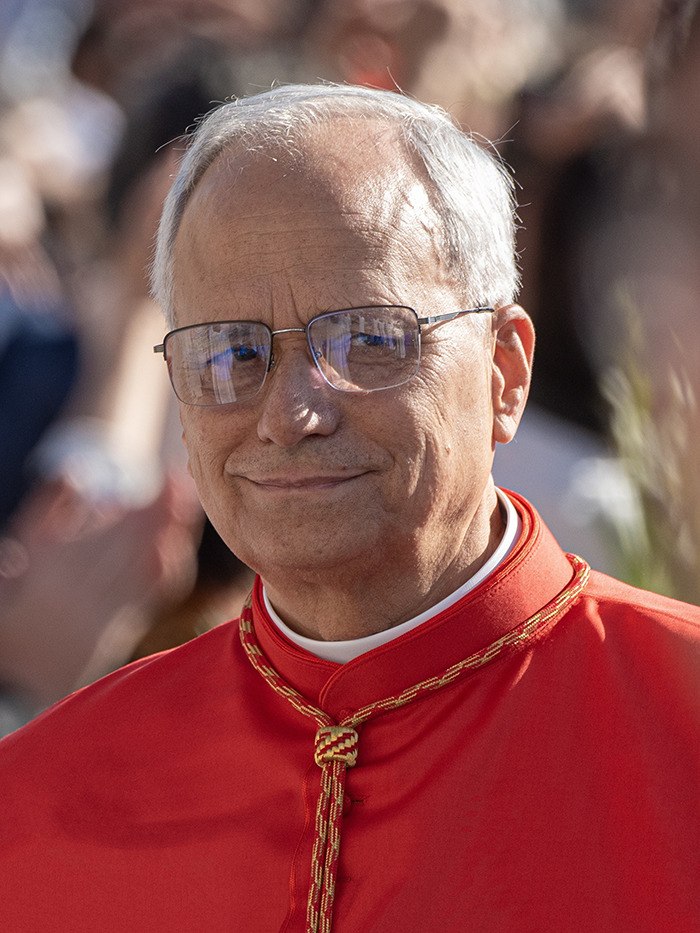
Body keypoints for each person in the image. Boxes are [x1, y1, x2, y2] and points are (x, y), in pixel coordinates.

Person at [0, 84, 698, 933]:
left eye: (368, 338)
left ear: (503, 372)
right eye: (230, 352)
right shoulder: (41, 799)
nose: (293, 413)